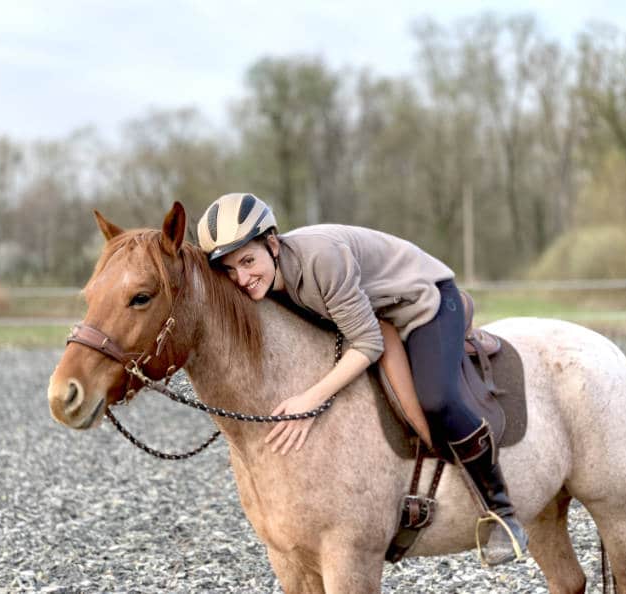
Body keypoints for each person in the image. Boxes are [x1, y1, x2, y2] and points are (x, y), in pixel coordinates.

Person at [197, 192, 528, 566]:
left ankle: (501, 512)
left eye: (247, 260)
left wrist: (310, 399)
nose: (241, 278)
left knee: (438, 399)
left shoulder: (321, 258)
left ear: (272, 243)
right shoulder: (265, 283)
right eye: (229, 270)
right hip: (376, 313)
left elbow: (367, 342)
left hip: (424, 302)